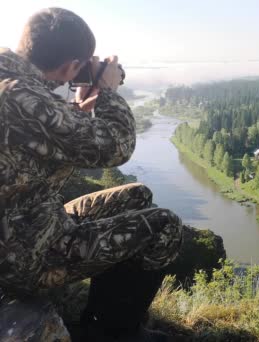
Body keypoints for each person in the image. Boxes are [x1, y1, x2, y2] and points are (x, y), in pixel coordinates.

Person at [0, 7, 183, 340]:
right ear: (72, 66)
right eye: (79, 66)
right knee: (163, 226)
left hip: (25, 221)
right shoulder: (22, 97)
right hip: (20, 257)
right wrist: (108, 91)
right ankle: (114, 332)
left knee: (136, 195)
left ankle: (102, 313)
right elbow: (118, 147)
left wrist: (73, 112)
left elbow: (30, 139)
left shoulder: (10, 80)